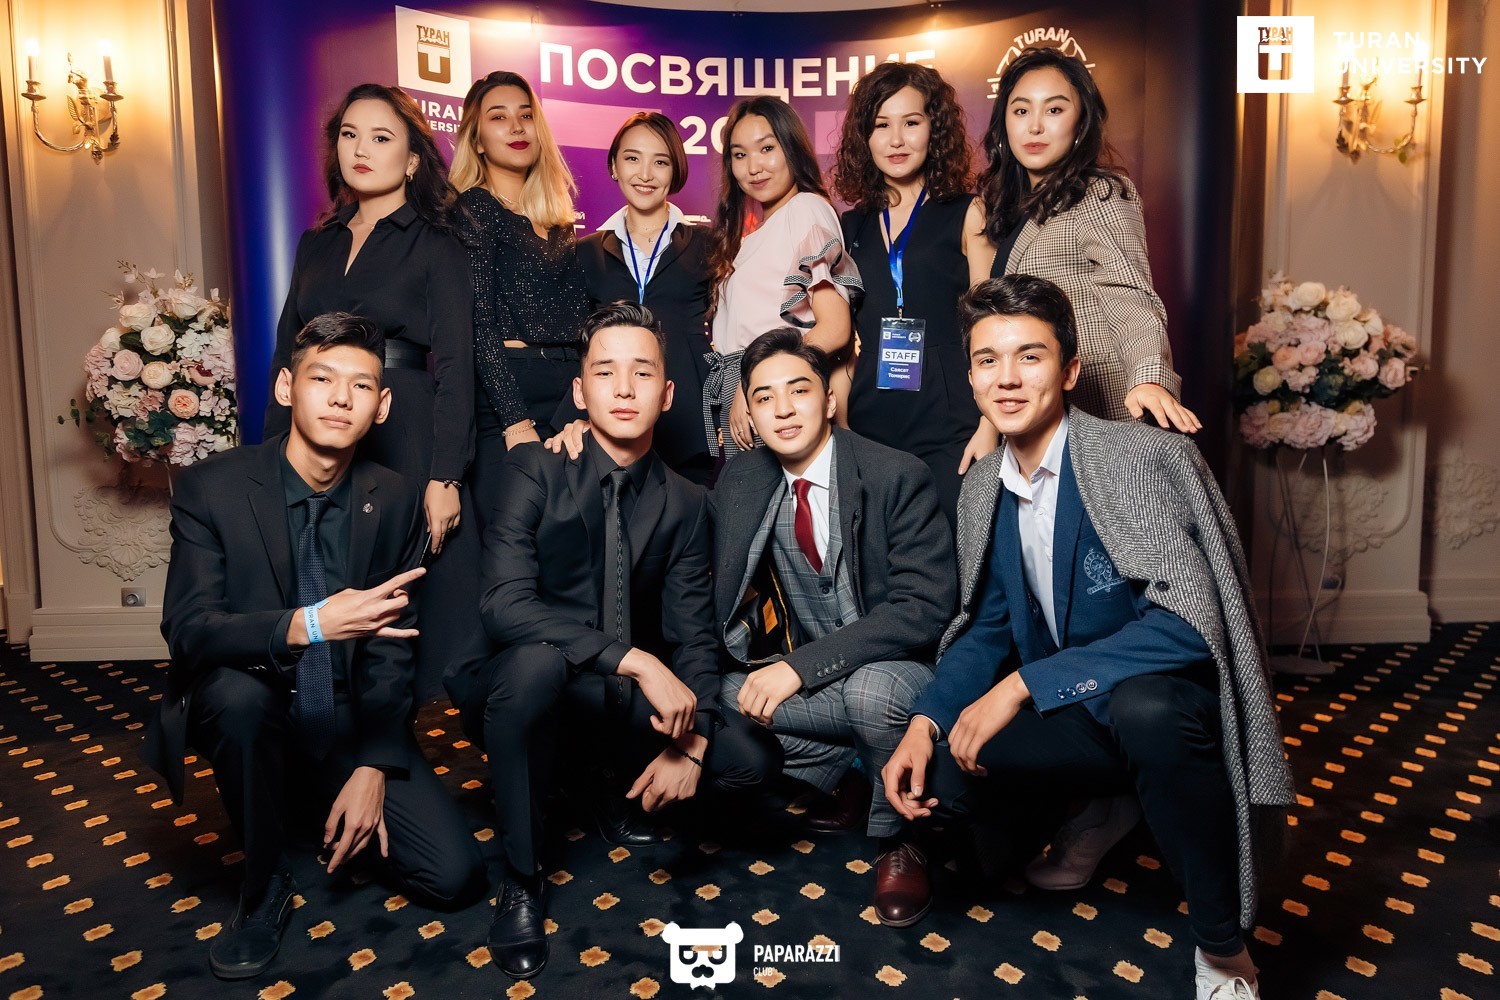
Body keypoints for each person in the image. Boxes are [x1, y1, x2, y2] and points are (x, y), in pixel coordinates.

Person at [882, 277, 1294, 1000]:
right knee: (941, 774)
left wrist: (1022, 685)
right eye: (987, 360)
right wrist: (925, 722)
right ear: (971, 376)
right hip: (1078, 710)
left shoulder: (1129, 457)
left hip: (1163, 703)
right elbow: (987, 626)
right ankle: (1107, 802)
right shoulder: (983, 486)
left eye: (1030, 356)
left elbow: (1187, 624)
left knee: (1146, 712)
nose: (1007, 378)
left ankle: (1224, 949)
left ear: (1070, 370)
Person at [147, 314, 486, 981]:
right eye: (322, 379)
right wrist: (309, 624)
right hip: (254, 702)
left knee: (456, 878)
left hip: (348, 719)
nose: (340, 398)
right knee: (238, 698)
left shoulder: (394, 498)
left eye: (360, 386)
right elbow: (189, 630)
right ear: (286, 388)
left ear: (381, 406)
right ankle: (263, 884)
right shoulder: (212, 487)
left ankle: (310, 794)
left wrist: (374, 766)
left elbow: (393, 649)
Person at [460, 302, 782, 980]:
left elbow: (693, 636)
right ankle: (522, 876)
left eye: (643, 373)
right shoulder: (535, 467)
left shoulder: (686, 501)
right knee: (536, 667)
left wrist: (694, 740)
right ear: (580, 393)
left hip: (608, 697)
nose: (626, 388)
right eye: (606, 373)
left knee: (750, 762)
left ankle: (598, 783)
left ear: (668, 394)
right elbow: (503, 606)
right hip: (521, 684)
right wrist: (634, 661)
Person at [713, 329, 955, 928]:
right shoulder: (741, 481)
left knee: (871, 691)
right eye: (764, 397)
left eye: (798, 390)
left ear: (828, 400)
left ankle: (902, 840)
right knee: (721, 696)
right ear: (750, 413)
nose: (783, 409)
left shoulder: (895, 473)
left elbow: (924, 607)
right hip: (822, 680)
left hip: (899, 670)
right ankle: (852, 770)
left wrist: (798, 668)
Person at [263, 82, 482, 699]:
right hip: (317, 426)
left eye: (381, 138)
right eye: (349, 135)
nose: (360, 149)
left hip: (404, 423)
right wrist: (267, 458)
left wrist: (446, 475)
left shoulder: (438, 241)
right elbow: (285, 354)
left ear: (412, 160)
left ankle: (391, 732)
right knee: (322, 580)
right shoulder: (317, 241)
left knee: (403, 598)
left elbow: (457, 365)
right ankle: (324, 712)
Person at [964, 46, 1200, 466]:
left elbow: (1130, 295)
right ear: (1003, 124)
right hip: (1036, 416)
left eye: (1054, 109)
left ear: (1080, 124)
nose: (1035, 125)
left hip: (1099, 408)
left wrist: (1149, 376)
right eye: (1021, 111)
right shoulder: (1007, 208)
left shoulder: (1099, 195)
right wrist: (990, 424)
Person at [833, 61, 981, 524]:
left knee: (952, 548)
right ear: (864, 137)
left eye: (911, 122)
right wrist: (842, 428)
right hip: (871, 418)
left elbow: (993, 327)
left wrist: (990, 424)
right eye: (881, 125)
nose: (896, 140)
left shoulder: (969, 213)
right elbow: (842, 341)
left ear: (934, 129)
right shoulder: (850, 225)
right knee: (878, 552)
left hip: (951, 418)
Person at [452, 70, 591, 517]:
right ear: (476, 140)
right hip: (510, 390)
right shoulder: (475, 208)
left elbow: (579, 318)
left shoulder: (558, 220)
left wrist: (585, 401)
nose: (516, 127)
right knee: (512, 533)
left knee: (568, 536)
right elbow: (479, 324)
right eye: (498, 117)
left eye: (526, 115)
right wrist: (514, 419)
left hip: (570, 391)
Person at [704, 96, 862, 464]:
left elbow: (835, 328)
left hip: (774, 388)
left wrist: (757, 380)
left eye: (767, 148)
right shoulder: (753, 235)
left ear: (791, 147)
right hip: (751, 385)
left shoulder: (805, 209)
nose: (753, 167)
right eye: (739, 155)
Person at [576, 112, 715, 485]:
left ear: (676, 170)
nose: (645, 174)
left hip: (690, 419)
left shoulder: (709, 244)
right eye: (632, 158)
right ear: (614, 166)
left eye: (660, 162)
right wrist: (574, 418)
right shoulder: (585, 252)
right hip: (613, 416)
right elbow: (577, 345)